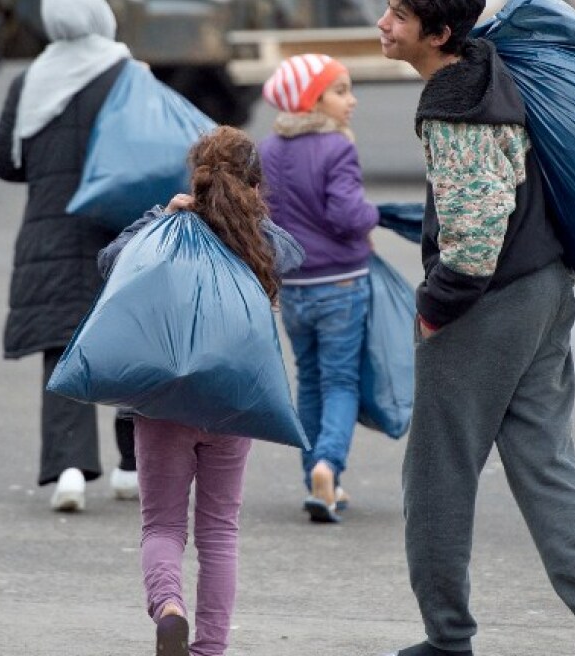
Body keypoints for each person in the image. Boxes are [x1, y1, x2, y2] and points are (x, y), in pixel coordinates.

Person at [377, 1, 575, 655]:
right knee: (544, 460)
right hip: (546, 284)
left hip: (487, 303)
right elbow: (500, 183)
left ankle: (446, 638)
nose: (383, 24)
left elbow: (474, 237)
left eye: (399, 15)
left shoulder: (455, 100)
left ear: (439, 34)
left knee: (438, 473)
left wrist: (434, 306)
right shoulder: (489, 65)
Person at [98, 126, 304, 656]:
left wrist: (164, 219)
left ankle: (168, 607)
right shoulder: (259, 238)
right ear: (255, 184)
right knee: (219, 532)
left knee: (162, 523)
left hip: (165, 395)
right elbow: (294, 255)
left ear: (196, 175)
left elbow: (110, 261)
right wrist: (249, 220)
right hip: (234, 403)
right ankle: (209, 648)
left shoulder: (170, 225)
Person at [0, 0, 138, 512]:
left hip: (49, 234)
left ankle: (70, 471)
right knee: (128, 349)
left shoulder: (31, 80)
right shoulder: (127, 75)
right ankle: (131, 467)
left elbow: (6, 165)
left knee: (62, 348)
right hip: (118, 232)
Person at [257, 54, 381, 523]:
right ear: (314, 99)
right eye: (341, 91)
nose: (352, 100)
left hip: (294, 285)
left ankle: (316, 478)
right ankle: (329, 463)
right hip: (341, 284)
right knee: (341, 380)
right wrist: (375, 215)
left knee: (309, 380)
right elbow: (348, 216)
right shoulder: (337, 148)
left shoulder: (268, 149)